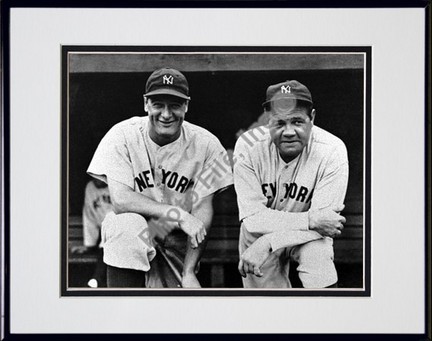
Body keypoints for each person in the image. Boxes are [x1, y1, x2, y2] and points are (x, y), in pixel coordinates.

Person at [87, 67, 233, 288]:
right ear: (146, 104)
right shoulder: (122, 135)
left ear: (186, 106)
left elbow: (203, 209)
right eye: (158, 105)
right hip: (132, 238)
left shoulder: (207, 144)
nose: (166, 114)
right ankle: (123, 307)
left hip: (178, 242)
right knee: (125, 223)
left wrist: (189, 271)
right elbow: (121, 200)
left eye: (174, 105)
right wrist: (179, 214)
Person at [233, 80, 348, 288]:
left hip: (306, 237)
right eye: (279, 122)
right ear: (268, 121)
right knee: (265, 310)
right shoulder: (248, 146)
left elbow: (326, 224)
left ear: (312, 118)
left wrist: (268, 242)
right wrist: (311, 219)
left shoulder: (332, 150)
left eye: (297, 121)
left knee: (317, 256)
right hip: (259, 234)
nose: (288, 131)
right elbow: (253, 219)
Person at [71, 178, 113, 288]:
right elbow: (89, 216)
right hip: (104, 233)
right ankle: (97, 280)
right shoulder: (90, 187)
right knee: (105, 242)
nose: (96, 180)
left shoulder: (117, 184)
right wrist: (89, 244)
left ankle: (97, 279)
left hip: (120, 230)